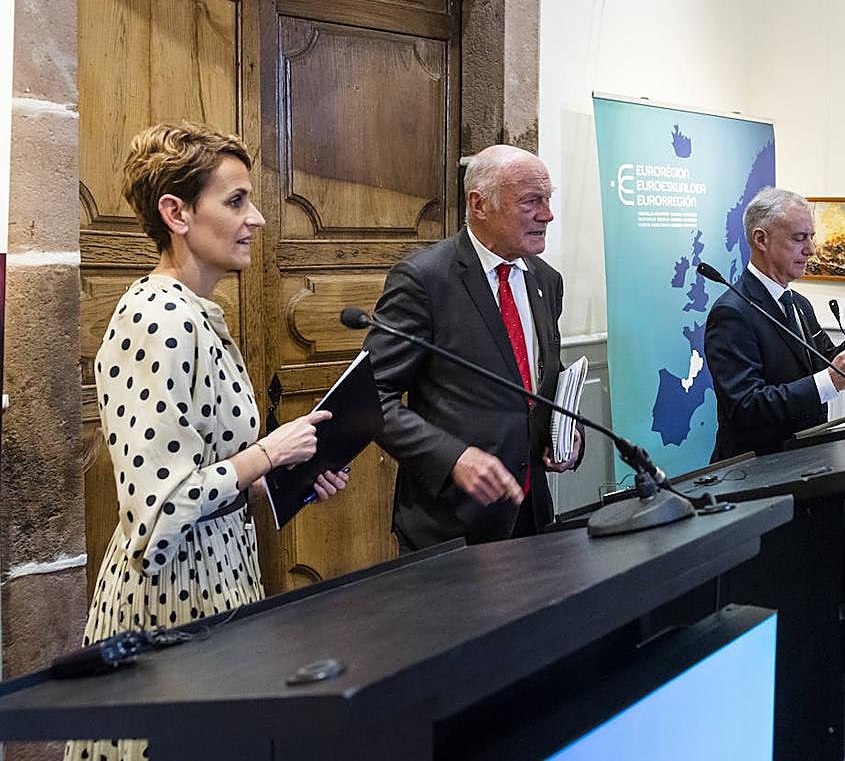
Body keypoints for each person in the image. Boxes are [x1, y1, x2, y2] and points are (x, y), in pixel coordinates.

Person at [66, 122, 348, 761]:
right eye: (236, 201)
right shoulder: (157, 318)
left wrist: (291, 476)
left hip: (219, 586)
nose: (257, 220)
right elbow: (161, 508)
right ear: (176, 213)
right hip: (172, 603)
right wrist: (270, 453)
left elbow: (214, 470)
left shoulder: (197, 312)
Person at [366, 144, 583, 552]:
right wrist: (453, 458)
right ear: (479, 204)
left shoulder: (547, 280)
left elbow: (541, 377)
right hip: (451, 527)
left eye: (548, 199)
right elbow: (373, 398)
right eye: (530, 202)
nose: (547, 215)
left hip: (531, 516)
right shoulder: (423, 280)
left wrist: (567, 434)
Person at [705, 187, 845, 460]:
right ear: (761, 239)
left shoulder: (798, 303)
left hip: (807, 457)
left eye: (811, 237)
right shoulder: (732, 313)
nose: (811, 250)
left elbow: (824, 362)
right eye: (799, 238)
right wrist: (830, 381)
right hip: (757, 470)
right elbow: (746, 405)